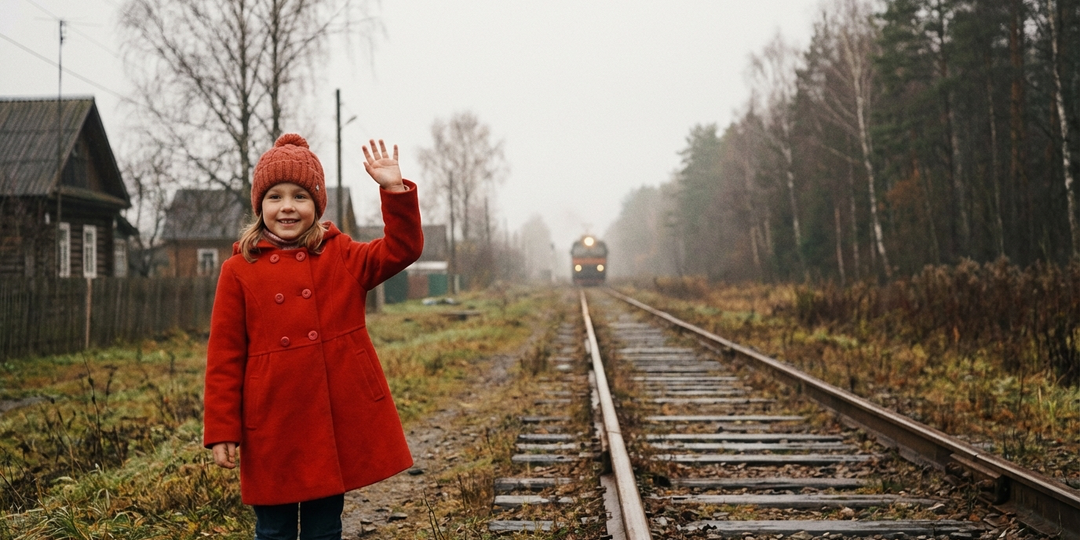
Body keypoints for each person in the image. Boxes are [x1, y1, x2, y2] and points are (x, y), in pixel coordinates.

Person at [203, 133, 423, 540]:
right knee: (273, 531)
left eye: (300, 196)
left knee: (324, 528)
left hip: (331, 418)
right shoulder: (238, 270)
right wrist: (221, 429)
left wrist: (393, 189)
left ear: (317, 206)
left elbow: (402, 249)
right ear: (259, 206)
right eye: (275, 196)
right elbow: (224, 356)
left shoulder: (341, 255)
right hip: (269, 421)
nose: (287, 207)